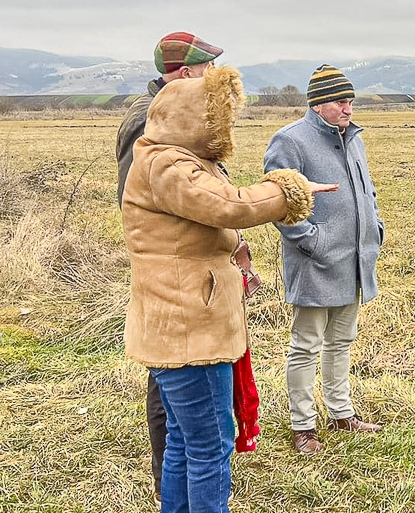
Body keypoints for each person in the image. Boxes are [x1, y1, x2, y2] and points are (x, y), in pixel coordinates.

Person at [122, 64, 335, 512]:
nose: (227, 127)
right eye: (220, 118)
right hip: (189, 331)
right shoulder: (167, 163)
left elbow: (198, 225)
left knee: (184, 441)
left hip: (181, 324)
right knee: (209, 447)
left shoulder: (174, 160)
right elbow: (226, 205)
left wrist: (235, 249)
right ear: (195, 118)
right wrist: (289, 188)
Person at [114, 31, 222, 501]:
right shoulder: (151, 123)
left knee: (182, 411)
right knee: (174, 398)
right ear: (183, 73)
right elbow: (151, 200)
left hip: (187, 272)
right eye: (206, 69)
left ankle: (176, 486)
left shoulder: (173, 117)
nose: (212, 78)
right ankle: (170, 484)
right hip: (174, 283)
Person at [262, 64, 384, 455]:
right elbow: (278, 203)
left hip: (355, 263)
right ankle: (303, 426)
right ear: (317, 104)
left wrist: (374, 228)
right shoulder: (290, 141)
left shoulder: (354, 139)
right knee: (306, 345)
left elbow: (368, 191)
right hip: (315, 263)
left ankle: (341, 413)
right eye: (340, 101)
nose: (349, 108)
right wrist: (313, 242)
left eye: (351, 100)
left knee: (342, 342)